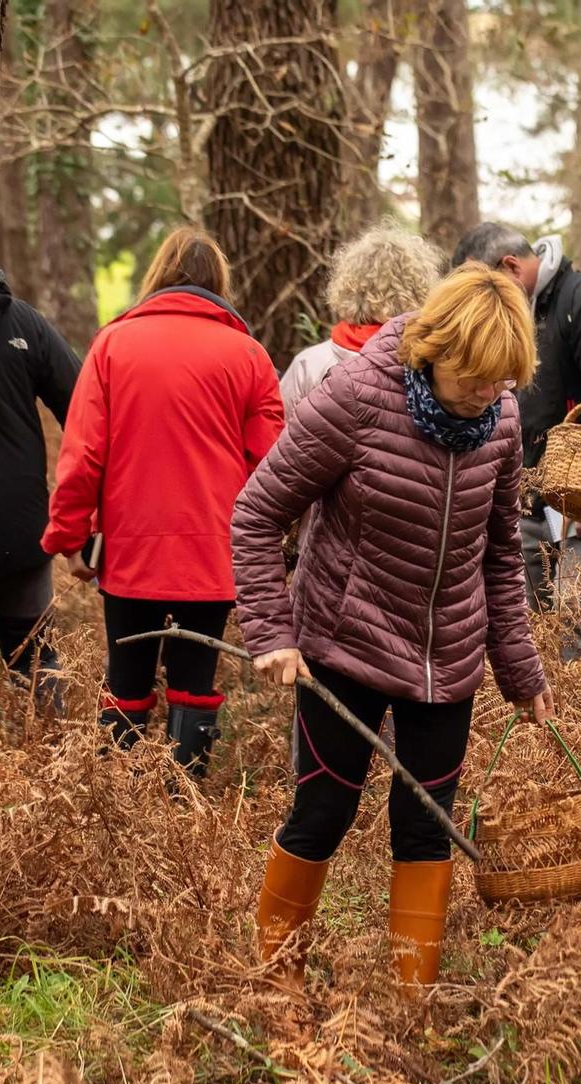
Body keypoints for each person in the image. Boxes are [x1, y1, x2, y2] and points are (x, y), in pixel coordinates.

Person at [232, 264, 553, 994]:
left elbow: (501, 551)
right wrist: (271, 632)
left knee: (425, 826)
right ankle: (276, 984)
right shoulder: (355, 398)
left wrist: (522, 670)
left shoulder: (500, 419)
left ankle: (413, 1007)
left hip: (449, 658)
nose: (487, 396)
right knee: (323, 811)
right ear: (436, 348)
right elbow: (256, 513)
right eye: (475, 378)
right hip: (342, 648)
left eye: (501, 382)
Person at [42, 226, 284, 776]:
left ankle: (123, 808)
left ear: (157, 278)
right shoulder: (248, 355)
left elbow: (82, 456)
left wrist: (69, 537)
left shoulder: (111, 346)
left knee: (125, 679)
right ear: (217, 284)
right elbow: (269, 467)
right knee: (194, 683)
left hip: (130, 553)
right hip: (212, 554)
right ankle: (182, 808)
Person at [451, 222, 581, 609]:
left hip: (578, 506)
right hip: (528, 500)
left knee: (578, 626)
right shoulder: (515, 313)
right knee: (525, 622)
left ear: (510, 266)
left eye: (483, 282)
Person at [0, 267, 82, 710]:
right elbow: (83, 407)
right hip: (16, 517)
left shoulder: (21, 321)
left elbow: (82, 409)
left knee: (34, 655)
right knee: (37, 660)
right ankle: (55, 750)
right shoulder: (22, 320)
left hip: (6, 524)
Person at [281, 225, 445, 416]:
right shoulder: (435, 366)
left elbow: (282, 436)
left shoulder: (310, 364)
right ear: (424, 288)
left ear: (349, 286)